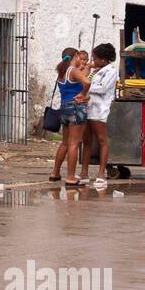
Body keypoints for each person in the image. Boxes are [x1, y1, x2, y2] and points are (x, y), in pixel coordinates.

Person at [49, 46, 91, 186]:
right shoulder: (72, 71)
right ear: (77, 55)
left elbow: (81, 76)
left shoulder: (62, 72)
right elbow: (86, 81)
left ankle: (55, 172)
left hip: (64, 108)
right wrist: (83, 94)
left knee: (65, 143)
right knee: (74, 143)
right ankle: (71, 177)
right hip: (76, 108)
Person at [80, 43, 119, 184]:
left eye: (95, 59)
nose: (93, 61)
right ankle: (84, 172)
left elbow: (102, 88)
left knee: (102, 140)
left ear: (103, 59)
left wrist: (85, 86)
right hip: (88, 108)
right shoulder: (94, 71)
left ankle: (101, 173)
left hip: (99, 109)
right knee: (87, 141)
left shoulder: (111, 71)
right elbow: (86, 81)